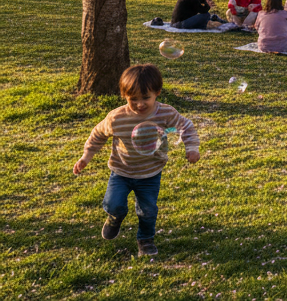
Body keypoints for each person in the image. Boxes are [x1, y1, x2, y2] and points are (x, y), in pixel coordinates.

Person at [73, 64, 200, 257]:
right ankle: (115, 217)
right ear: (124, 95)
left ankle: (145, 240)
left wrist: (191, 148)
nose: (140, 104)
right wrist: (86, 156)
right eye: (133, 99)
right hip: (121, 172)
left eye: (146, 98)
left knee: (148, 210)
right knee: (113, 204)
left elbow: (186, 127)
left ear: (157, 93)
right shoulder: (117, 118)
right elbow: (98, 134)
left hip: (150, 173)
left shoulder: (165, 113)